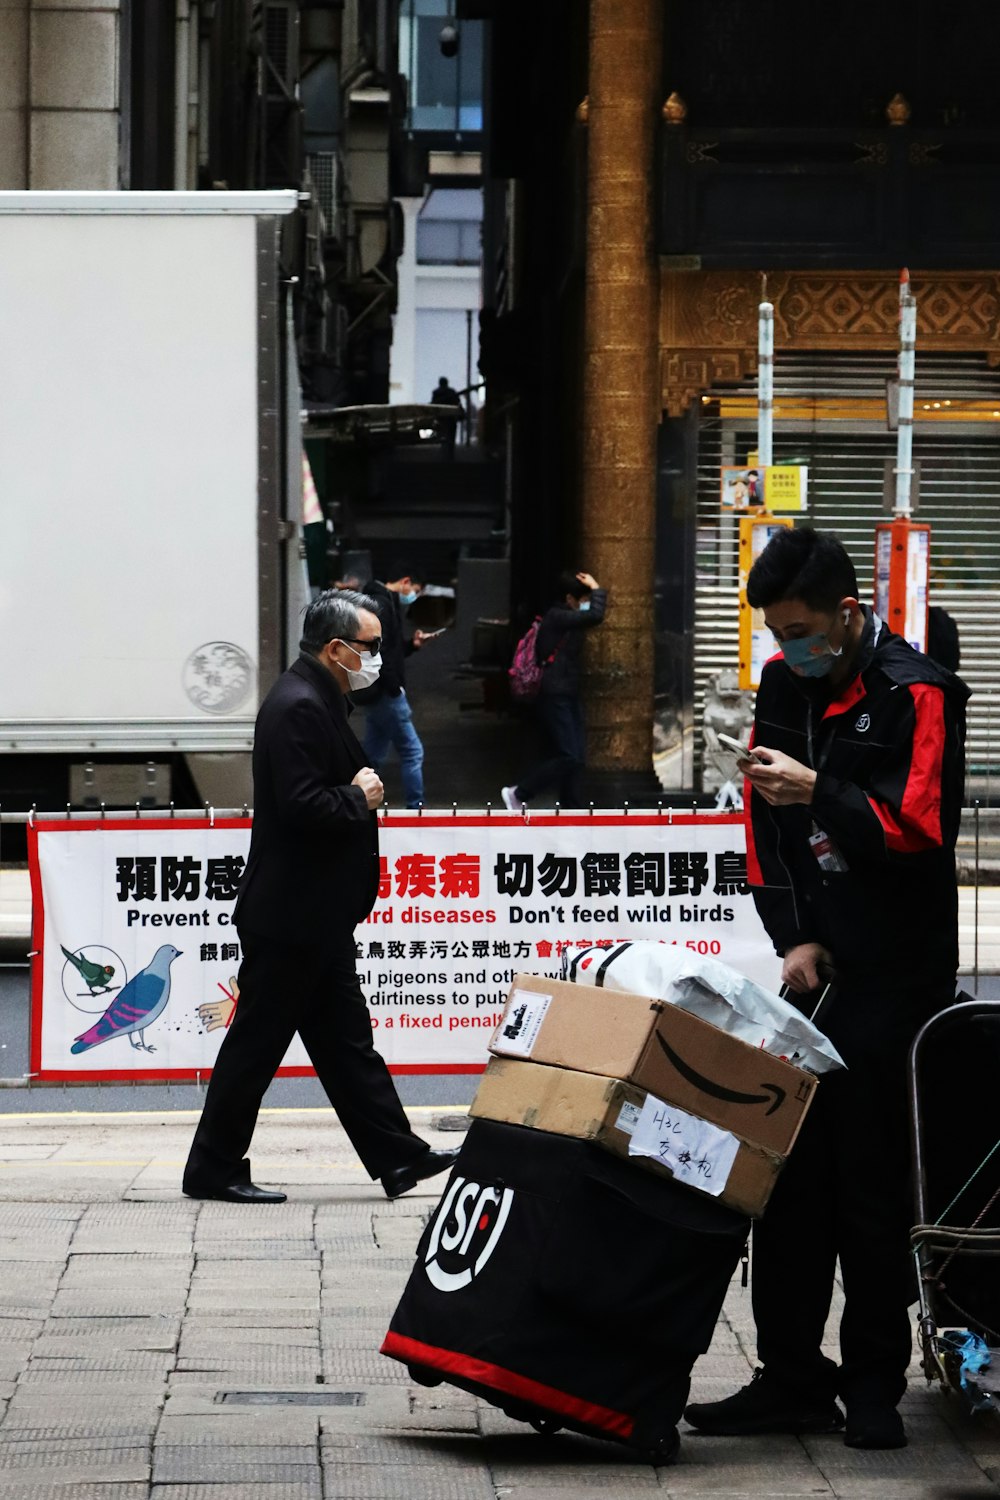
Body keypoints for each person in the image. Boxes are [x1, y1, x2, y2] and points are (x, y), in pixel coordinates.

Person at [684, 528, 969, 1450]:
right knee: (787, 1185)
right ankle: (791, 1376)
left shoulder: (917, 692)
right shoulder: (781, 686)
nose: (790, 647)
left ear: (849, 613)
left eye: (802, 630)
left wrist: (821, 790)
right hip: (816, 973)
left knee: (872, 1189)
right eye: (776, 632)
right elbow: (762, 822)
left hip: (897, 976)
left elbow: (917, 829)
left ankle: (875, 1386)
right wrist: (792, 936)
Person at [182, 589, 458, 1204]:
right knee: (256, 1046)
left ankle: (397, 1156)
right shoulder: (299, 706)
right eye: (370, 647)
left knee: (344, 1043)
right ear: (336, 649)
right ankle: (212, 1167)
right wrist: (358, 797)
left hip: (314, 916)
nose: (378, 658)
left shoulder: (317, 698)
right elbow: (302, 805)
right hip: (292, 917)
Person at [502, 570, 607, 811]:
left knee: (577, 757)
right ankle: (519, 793)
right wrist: (597, 589)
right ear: (570, 598)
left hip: (568, 691)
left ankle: (572, 808)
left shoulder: (566, 618)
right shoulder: (557, 617)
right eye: (582, 599)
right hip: (554, 693)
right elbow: (595, 616)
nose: (585, 604)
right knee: (568, 754)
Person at [357, 563, 435, 810]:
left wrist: (412, 645)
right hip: (385, 693)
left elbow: (390, 648)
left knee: (371, 757)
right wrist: (395, 689)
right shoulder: (382, 604)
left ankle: (355, 801)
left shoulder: (376, 600)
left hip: (374, 692)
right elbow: (382, 654)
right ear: (405, 581)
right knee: (413, 752)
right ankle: (416, 809)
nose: (414, 596)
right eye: (415, 590)